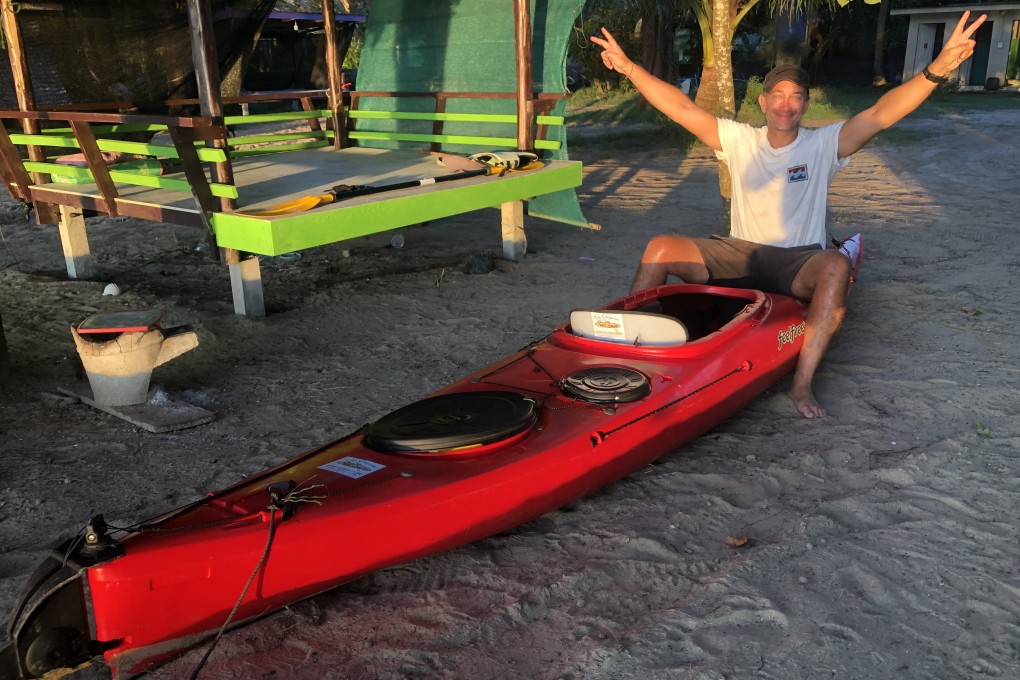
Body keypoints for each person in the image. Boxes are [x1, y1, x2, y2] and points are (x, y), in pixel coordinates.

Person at [590, 11, 987, 419]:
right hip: (739, 253)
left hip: (797, 261)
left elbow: (882, 113)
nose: (786, 104)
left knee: (835, 265)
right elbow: (680, 108)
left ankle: (801, 384)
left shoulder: (823, 144)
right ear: (763, 102)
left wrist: (937, 69)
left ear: (805, 103)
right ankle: (623, 351)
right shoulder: (738, 139)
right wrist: (629, 68)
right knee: (660, 248)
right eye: (777, 95)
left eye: (796, 96)